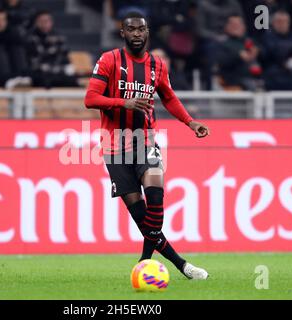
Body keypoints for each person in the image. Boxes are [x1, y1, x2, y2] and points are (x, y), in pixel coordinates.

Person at [84, 12, 210, 280]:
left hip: (145, 140)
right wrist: (123, 103)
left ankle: (144, 262)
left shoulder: (158, 65)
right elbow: (91, 98)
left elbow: (169, 97)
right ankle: (181, 265)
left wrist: (190, 122)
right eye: (131, 29)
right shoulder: (109, 60)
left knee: (155, 198)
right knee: (141, 216)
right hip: (114, 145)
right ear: (123, 33)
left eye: (141, 29)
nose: (137, 34)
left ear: (148, 32)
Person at [26, 10, 78, 88]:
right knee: (44, 80)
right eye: (42, 21)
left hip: (58, 73)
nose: (45, 24)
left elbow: (64, 57)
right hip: (41, 74)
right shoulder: (31, 38)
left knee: (73, 81)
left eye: (47, 21)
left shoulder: (58, 38)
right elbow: (36, 62)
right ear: (36, 22)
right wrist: (51, 50)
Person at [215, 15, 262, 91]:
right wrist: (238, 56)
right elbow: (220, 60)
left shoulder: (250, 41)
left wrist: (257, 52)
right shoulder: (221, 42)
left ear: (244, 27)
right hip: (231, 81)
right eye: (233, 24)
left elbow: (264, 55)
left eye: (238, 24)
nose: (236, 27)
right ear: (226, 27)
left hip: (253, 79)